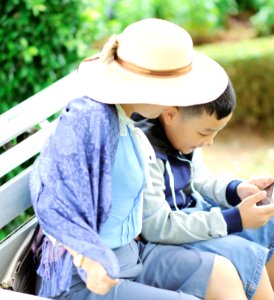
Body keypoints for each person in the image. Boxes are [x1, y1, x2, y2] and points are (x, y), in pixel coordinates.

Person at [29, 18, 251, 300]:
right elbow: (52, 193)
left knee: (220, 273)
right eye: (178, 89)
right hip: (84, 280)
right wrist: (88, 258)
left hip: (130, 258)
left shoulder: (126, 119)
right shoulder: (90, 118)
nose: (181, 101)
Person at [134, 80, 274, 300]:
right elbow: (158, 227)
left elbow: (199, 177)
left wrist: (237, 190)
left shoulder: (182, 134)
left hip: (197, 215)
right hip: (172, 233)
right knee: (244, 254)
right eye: (205, 133)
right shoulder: (145, 149)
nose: (210, 141)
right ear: (170, 114)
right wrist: (234, 219)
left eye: (215, 133)